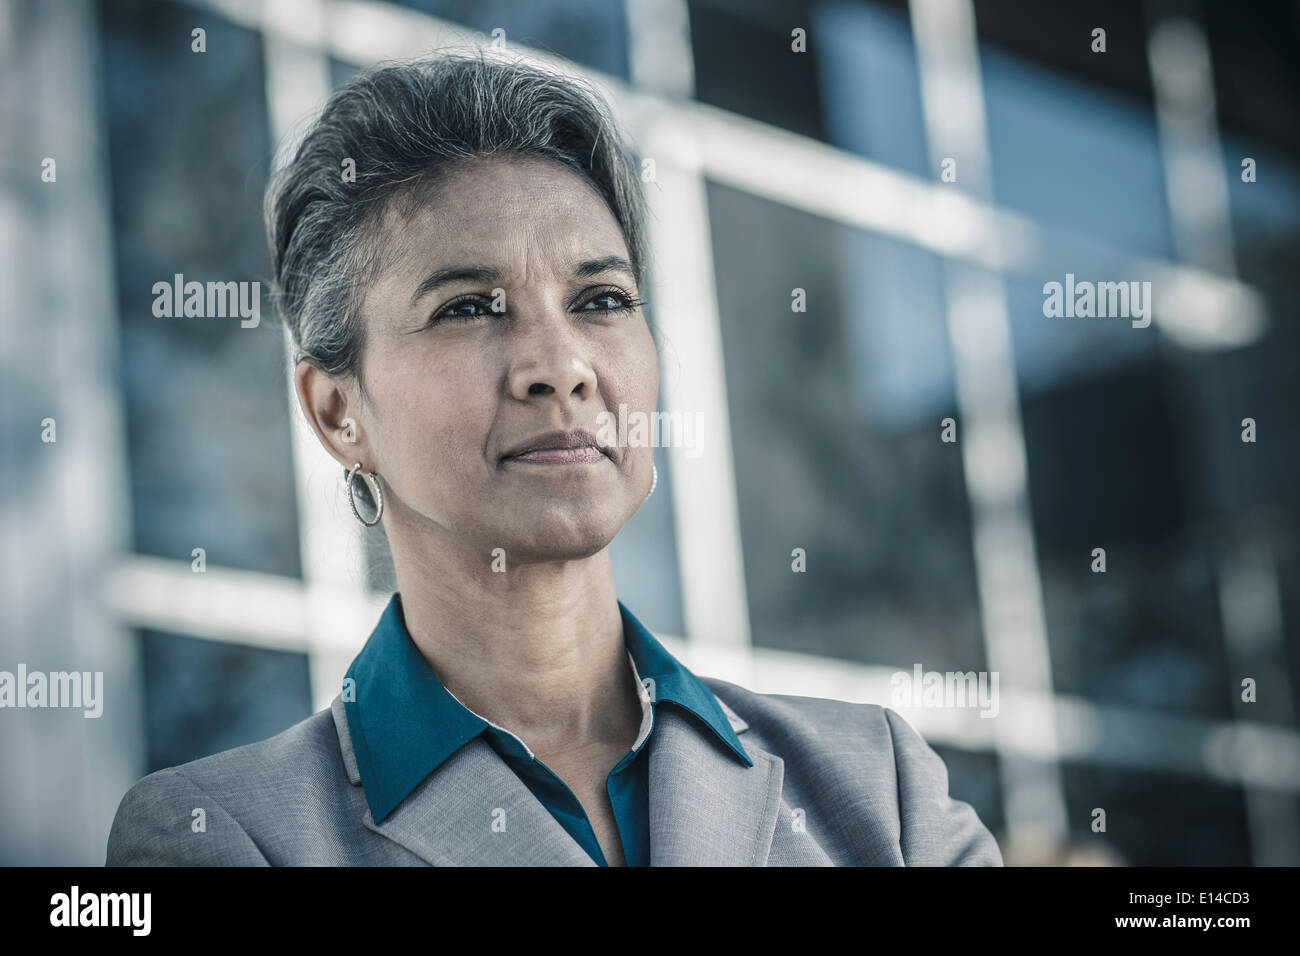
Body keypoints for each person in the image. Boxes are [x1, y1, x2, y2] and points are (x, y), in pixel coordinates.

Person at [106, 50, 1002, 867]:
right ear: (339, 412)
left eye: (603, 298)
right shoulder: (223, 834)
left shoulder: (879, 794)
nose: (560, 366)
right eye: (468, 308)